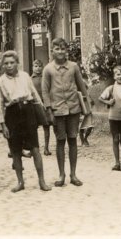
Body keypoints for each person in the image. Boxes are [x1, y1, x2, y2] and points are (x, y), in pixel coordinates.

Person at [0, 51, 51, 192]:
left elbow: (34, 94)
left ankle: (42, 181)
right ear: (3, 65)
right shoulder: (0, 81)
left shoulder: (25, 76)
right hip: (12, 114)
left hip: (28, 111)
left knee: (35, 149)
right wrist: (3, 125)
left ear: (17, 63)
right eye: (6, 63)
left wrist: (42, 110)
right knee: (15, 150)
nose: (9, 65)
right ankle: (20, 182)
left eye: (12, 62)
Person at [41, 37, 89, 187]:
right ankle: (61, 174)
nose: (60, 51)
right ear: (52, 51)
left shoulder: (74, 67)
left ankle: (73, 174)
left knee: (73, 140)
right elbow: (44, 91)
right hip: (57, 110)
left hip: (73, 109)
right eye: (57, 49)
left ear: (66, 51)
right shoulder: (48, 69)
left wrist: (87, 106)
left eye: (63, 48)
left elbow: (82, 86)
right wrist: (48, 110)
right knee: (60, 141)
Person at [30, 59, 52, 156]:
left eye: (39, 66)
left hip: (44, 104)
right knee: (33, 127)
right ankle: (34, 147)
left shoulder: (45, 78)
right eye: (35, 66)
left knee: (46, 126)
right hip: (34, 105)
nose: (38, 68)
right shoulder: (30, 79)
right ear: (32, 67)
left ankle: (46, 148)